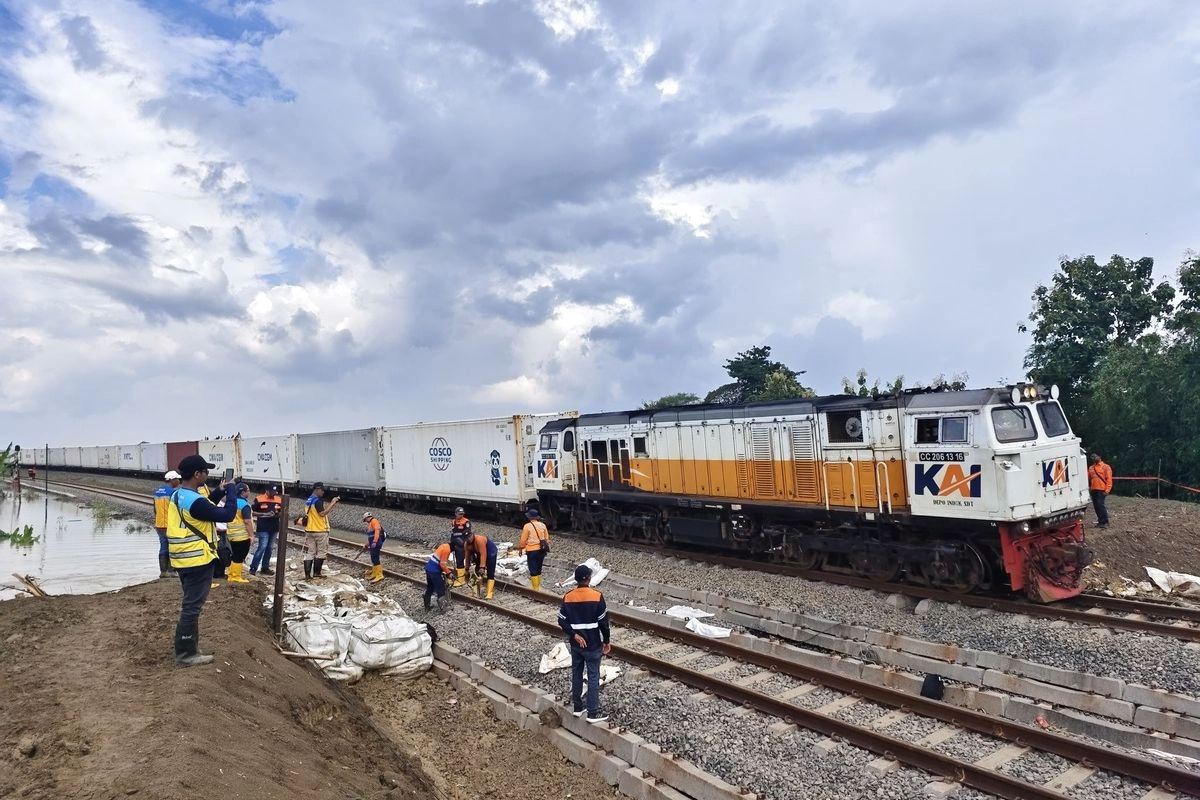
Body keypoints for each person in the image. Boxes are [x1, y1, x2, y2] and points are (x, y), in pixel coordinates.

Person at [167, 454, 241, 667]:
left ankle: (190, 649)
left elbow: (206, 506)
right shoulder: (194, 500)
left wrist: (220, 491)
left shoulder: (180, 495)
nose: (208, 474)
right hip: (197, 559)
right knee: (192, 607)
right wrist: (232, 492)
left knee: (190, 604)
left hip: (184, 560)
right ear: (197, 474)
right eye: (205, 471)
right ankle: (186, 655)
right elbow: (226, 515)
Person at [558, 564, 611, 723]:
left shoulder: (568, 596)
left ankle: (577, 708)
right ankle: (593, 713)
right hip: (593, 644)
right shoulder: (596, 596)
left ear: (575, 579)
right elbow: (603, 623)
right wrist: (606, 641)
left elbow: (561, 620)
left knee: (577, 673)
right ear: (589, 578)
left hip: (576, 646)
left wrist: (574, 635)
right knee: (593, 676)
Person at [303, 482, 339, 579]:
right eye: (322, 490)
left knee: (311, 552)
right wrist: (333, 503)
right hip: (320, 530)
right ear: (317, 489)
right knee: (321, 552)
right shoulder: (317, 501)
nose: (323, 492)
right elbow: (322, 513)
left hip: (309, 530)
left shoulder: (308, 500)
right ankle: (317, 573)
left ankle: (307, 575)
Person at [153, 470, 182, 578]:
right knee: (173, 547)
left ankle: (163, 572)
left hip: (159, 524)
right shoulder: (174, 493)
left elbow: (155, 509)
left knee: (163, 547)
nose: (179, 481)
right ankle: (171, 571)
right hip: (170, 525)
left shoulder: (156, 492)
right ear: (172, 480)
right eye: (177, 479)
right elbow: (177, 510)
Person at [225, 483, 255, 583]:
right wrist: (251, 535)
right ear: (243, 492)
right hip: (242, 536)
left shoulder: (232, 502)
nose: (249, 492)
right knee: (239, 556)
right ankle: (235, 576)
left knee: (234, 556)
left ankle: (231, 574)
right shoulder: (245, 505)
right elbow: (247, 521)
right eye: (248, 490)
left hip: (231, 534)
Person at [249, 485, 282, 576]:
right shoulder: (259, 499)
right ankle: (253, 567)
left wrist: (277, 514)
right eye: (272, 491)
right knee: (262, 547)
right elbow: (252, 512)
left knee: (270, 548)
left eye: (275, 492)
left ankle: (265, 568)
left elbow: (282, 511)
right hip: (263, 527)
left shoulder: (278, 499)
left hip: (274, 527)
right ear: (266, 491)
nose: (274, 493)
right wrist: (265, 514)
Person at [518, 508, 550, 591]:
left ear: (529, 517)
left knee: (533, 569)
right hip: (542, 550)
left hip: (532, 550)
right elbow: (546, 538)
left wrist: (521, 548)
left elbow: (523, 540)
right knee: (539, 568)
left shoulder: (527, 526)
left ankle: (535, 589)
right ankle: (538, 587)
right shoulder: (543, 525)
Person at [463, 529, 497, 600]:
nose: (469, 539)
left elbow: (483, 554)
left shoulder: (479, 540)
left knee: (490, 573)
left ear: (472, 534)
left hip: (491, 552)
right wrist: (466, 569)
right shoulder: (466, 544)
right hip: (479, 553)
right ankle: (476, 591)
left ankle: (489, 593)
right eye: (466, 538)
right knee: (476, 572)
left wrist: (482, 567)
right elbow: (467, 557)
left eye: (469, 536)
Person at [424, 541, 453, 611]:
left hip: (429, 568)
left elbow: (440, 561)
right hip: (434, 571)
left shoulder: (444, 546)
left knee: (430, 587)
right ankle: (444, 607)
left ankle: (427, 605)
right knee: (441, 588)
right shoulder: (447, 550)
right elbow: (442, 564)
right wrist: (449, 573)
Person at [1088, 453, 1113, 528]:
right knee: (1096, 506)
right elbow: (1088, 478)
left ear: (1099, 457)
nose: (1093, 458)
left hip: (1101, 489)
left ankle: (1105, 522)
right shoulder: (1091, 468)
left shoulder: (1106, 467)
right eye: (1092, 457)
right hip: (1093, 490)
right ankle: (1100, 521)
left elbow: (1109, 479)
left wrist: (1107, 490)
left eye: (1095, 456)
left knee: (1100, 505)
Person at [450, 507, 472, 587]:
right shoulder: (453, 522)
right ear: (456, 514)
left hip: (463, 544)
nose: (461, 515)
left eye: (462, 514)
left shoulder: (466, 521)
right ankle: (461, 577)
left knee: (461, 560)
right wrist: (452, 543)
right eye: (459, 514)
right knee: (458, 561)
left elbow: (468, 532)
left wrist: (462, 541)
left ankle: (461, 580)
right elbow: (453, 533)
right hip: (456, 543)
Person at [362, 512, 386, 583]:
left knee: (375, 558)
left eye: (365, 520)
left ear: (367, 518)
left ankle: (379, 575)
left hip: (376, 543)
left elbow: (377, 531)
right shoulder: (370, 524)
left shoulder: (374, 521)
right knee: (373, 557)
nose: (366, 521)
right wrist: (367, 544)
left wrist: (375, 542)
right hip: (374, 543)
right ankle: (375, 573)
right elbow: (371, 538)